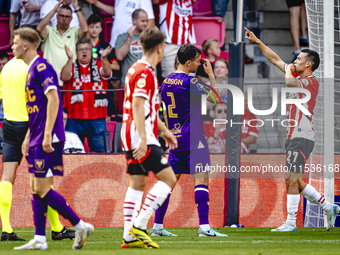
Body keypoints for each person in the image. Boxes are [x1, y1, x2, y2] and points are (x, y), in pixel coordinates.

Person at [245, 27, 340, 231]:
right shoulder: (299, 75)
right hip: (294, 135)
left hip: (302, 135)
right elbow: (276, 60)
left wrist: (288, 68)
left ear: (308, 64)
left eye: (298, 59)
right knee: (295, 180)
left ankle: (290, 222)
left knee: (290, 178)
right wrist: (258, 42)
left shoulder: (311, 82)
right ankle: (328, 207)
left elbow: (289, 81)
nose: (294, 61)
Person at [12, 27, 93, 250]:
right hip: (37, 136)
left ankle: (79, 225)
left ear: (25, 45)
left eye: (15, 41)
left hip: (48, 137)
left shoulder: (41, 66)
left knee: (41, 187)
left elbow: (54, 99)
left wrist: (47, 134)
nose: (12, 45)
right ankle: (39, 238)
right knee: (34, 186)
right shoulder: (31, 69)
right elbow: (37, 109)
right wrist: (29, 136)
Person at [151, 44, 227, 237]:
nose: (200, 63)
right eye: (198, 60)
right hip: (194, 139)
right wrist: (211, 76)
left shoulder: (166, 81)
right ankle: (204, 227)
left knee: (167, 184)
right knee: (201, 181)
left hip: (175, 139)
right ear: (188, 62)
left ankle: (157, 226)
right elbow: (217, 99)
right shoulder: (189, 82)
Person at [0, 50, 74, 243]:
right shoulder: (31, 68)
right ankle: (57, 229)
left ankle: (6, 229)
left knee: (7, 176)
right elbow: (39, 100)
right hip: (30, 126)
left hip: (8, 125)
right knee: (43, 180)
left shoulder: (6, 68)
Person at [120, 27, 177, 249]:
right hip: (139, 135)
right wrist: (144, 139)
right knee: (169, 179)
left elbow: (149, 108)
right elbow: (137, 105)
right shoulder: (145, 72)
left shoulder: (136, 68)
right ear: (160, 48)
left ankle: (128, 235)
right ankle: (140, 225)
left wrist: (164, 130)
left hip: (132, 133)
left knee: (137, 183)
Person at [61, 38, 112, 152]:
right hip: (73, 118)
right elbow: (64, 77)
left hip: (97, 118)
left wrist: (103, 58)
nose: (84, 52)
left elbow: (107, 74)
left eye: (87, 49)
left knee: (100, 154)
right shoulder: (71, 66)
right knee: (71, 153)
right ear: (76, 52)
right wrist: (70, 59)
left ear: (91, 51)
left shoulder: (99, 64)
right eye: (81, 49)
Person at [37, 0, 88, 87]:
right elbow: (39, 28)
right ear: (57, 17)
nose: (64, 18)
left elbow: (85, 30)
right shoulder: (49, 31)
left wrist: (77, 9)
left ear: (71, 19)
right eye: (61, 15)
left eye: (67, 16)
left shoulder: (74, 31)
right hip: (50, 80)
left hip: (69, 80)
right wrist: (53, 11)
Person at [158, 0, 196, 78]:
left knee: (189, 79)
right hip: (169, 43)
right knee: (169, 78)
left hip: (188, 44)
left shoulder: (189, 1)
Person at [115, 9, 148, 87]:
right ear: (134, 21)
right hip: (130, 84)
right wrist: (129, 38)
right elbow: (119, 56)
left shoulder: (150, 37)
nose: (145, 24)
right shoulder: (123, 37)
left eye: (147, 21)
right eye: (142, 21)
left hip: (148, 82)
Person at [0, 52, 10, 121]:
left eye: (4, 64)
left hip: (11, 118)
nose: (2, 67)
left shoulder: (14, 76)